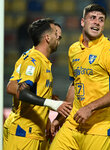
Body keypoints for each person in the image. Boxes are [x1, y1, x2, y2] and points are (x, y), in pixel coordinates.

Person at [50, 4, 110, 150]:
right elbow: (75, 85)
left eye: (101, 20)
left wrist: (90, 108)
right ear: (82, 22)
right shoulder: (73, 49)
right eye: (92, 18)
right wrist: (59, 119)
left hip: (100, 130)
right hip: (73, 125)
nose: (97, 22)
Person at [5, 18, 72, 150]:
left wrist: (46, 99)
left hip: (34, 132)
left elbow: (16, 87)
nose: (59, 36)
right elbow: (20, 91)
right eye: (55, 33)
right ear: (47, 37)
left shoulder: (38, 59)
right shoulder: (34, 60)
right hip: (24, 134)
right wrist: (53, 103)